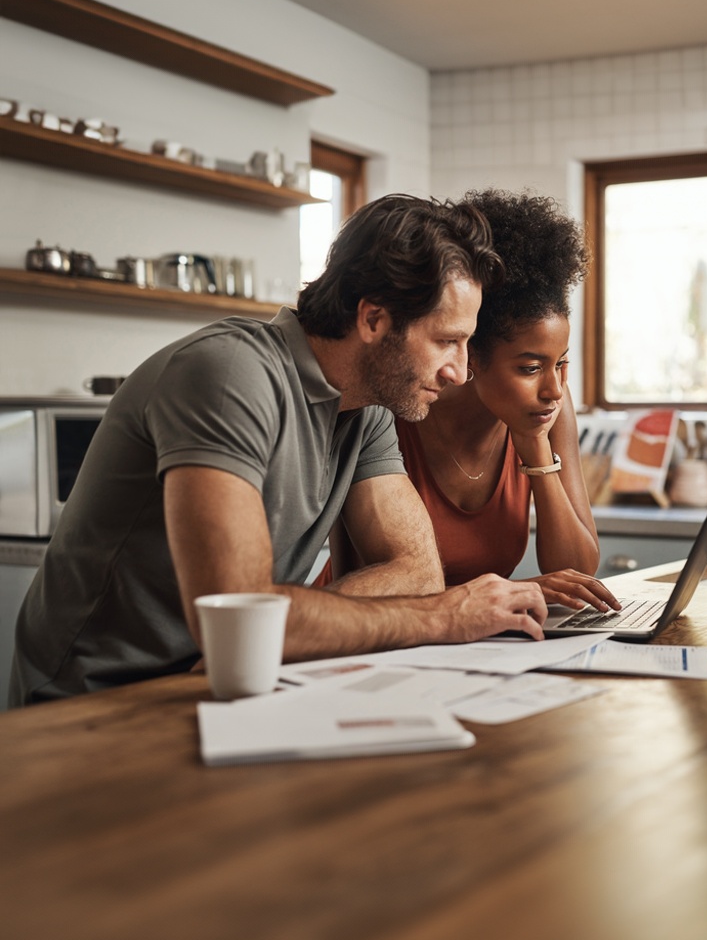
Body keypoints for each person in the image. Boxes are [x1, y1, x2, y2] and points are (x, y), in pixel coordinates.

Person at [10, 194, 547, 707]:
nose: (456, 372)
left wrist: (281, 630)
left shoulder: (368, 409)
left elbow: (416, 573)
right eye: (446, 340)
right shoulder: (229, 375)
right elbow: (241, 618)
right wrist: (441, 617)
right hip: (98, 702)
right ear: (374, 320)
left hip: (230, 682)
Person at [315, 189, 620, 614]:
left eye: (561, 364)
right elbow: (372, 578)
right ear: (471, 352)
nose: (554, 388)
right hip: (370, 628)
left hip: (473, 637)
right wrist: (516, 591)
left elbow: (578, 572)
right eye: (530, 368)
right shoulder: (396, 404)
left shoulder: (546, 409)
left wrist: (534, 450)